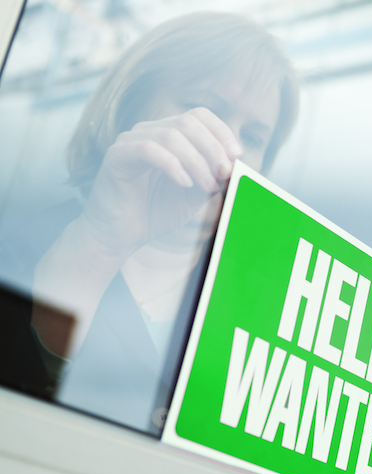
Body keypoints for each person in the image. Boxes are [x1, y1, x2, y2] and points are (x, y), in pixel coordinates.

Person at [18, 12, 299, 433]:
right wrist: (99, 245)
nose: (232, 147)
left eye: (255, 138)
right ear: (129, 106)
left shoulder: (271, 307)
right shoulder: (17, 247)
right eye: (205, 108)